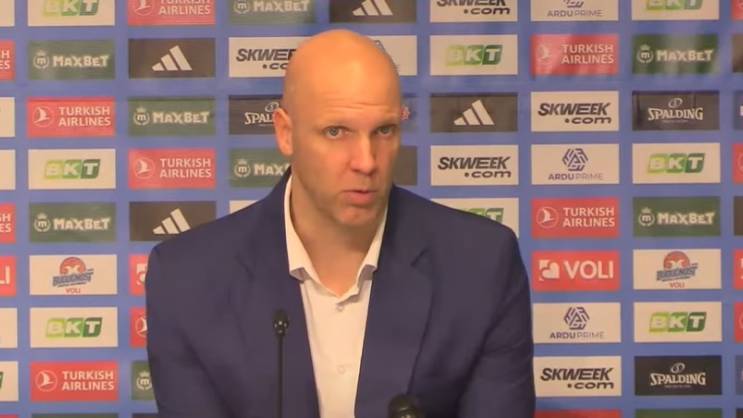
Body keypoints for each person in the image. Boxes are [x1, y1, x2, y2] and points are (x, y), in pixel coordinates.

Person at [145, 29, 534, 418]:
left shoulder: (481, 266)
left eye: (383, 130)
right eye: (336, 132)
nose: (366, 161)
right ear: (285, 133)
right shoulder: (187, 280)